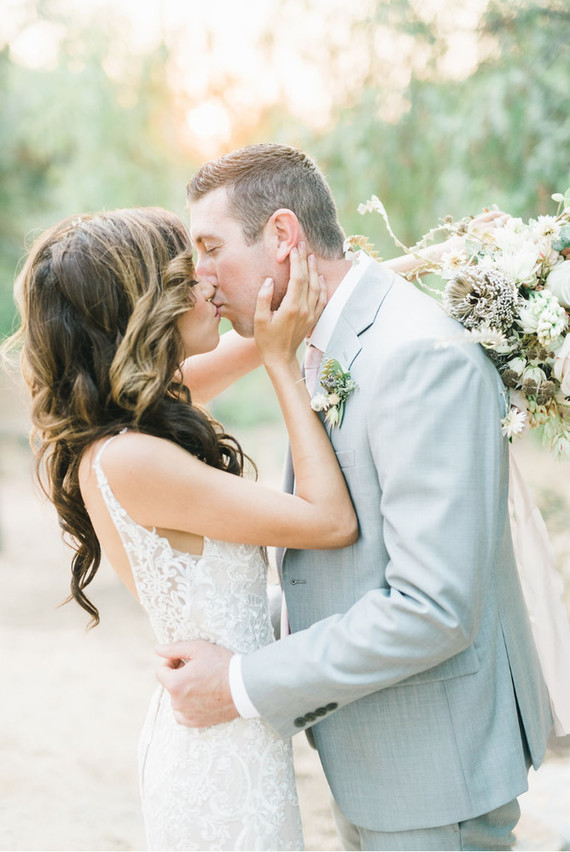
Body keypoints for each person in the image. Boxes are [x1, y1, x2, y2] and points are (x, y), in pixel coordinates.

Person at [156, 144, 554, 852]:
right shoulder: (330, 341)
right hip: (385, 757)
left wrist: (244, 681)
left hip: (436, 775)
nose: (202, 277)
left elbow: (432, 609)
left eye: (212, 248)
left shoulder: (416, 358)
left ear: (282, 237)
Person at [5, 206, 359, 851]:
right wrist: (284, 369)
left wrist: (394, 271)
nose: (210, 284)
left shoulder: (144, 411)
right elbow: (330, 521)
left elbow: (277, 325)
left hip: (234, 733)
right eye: (188, 274)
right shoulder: (132, 458)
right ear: (146, 307)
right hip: (218, 766)